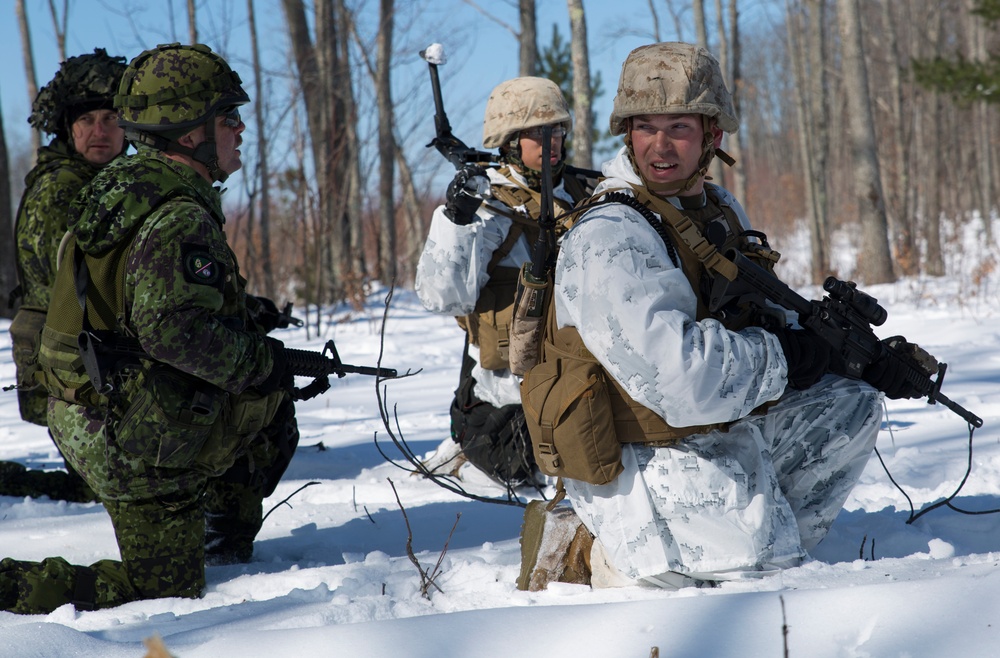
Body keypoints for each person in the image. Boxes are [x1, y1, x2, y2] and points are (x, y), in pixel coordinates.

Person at [518, 42, 925, 590]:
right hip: (638, 443)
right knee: (754, 576)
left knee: (847, 404)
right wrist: (789, 356)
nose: (660, 146)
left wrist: (850, 355)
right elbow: (678, 379)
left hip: (712, 420)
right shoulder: (609, 235)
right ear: (627, 133)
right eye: (645, 127)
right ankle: (595, 548)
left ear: (712, 135)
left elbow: (770, 313)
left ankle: (752, 532)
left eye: (679, 127)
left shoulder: (718, 209)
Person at [1, 43, 299, 614]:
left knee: (263, 398)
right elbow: (173, 332)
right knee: (161, 591)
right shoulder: (178, 214)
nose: (240, 129)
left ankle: (217, 528)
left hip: (89, 403)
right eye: (227, 117)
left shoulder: (129, 186)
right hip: (118, 432)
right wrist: (263, 362)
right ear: (191, 134)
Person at [414, 76, 591, 489]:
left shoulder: (584, 192)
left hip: (581, 374)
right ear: (510, 140)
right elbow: (442, 296)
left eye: (557, 130)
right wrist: (457, 219)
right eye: (536, 133)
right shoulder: (490, 206)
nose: (552, 142)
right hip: (510, 400)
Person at [2, 49, 127, 502]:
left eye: (112, 117)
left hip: (78, 359)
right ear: (67, 127)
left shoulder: (101, 182)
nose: (100, 131)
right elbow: (79, 288)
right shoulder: (63, 187)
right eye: (88, 119)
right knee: (110, 489)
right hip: (63, 361)